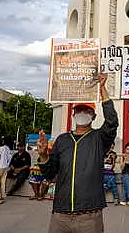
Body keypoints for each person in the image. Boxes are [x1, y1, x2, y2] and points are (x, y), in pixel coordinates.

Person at [37, 73, 117, 233]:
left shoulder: (99, 138)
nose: (82, 113)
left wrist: (102, 90)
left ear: (93, 116)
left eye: (86, 110)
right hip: (61, 215)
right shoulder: (62, 140)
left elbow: (112, 122)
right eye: (79, 110)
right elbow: (49, 173)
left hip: (89, 216)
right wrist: (44, 155)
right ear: (73, 115)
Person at [0, 137, 11, 204]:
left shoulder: (0, 148)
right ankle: (2, 196)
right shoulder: (7, 148)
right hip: (5, 167)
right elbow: (9, 157)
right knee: (3, 181)